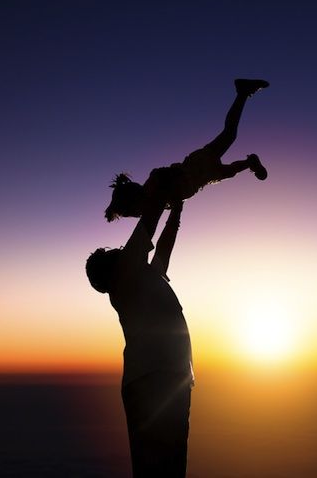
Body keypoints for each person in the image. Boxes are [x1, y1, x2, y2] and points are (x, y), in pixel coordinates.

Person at [86, 194, 193, 477]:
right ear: (114, 269)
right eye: (115, 252)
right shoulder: (125, 277)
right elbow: (148, 223)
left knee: (164, 463)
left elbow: (163, 248)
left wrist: (177, 209)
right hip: (155, 379)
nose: (121, 249)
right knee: (161, 463)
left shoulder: (142, 280)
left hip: (165, 378)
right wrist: (166, 193)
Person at [104, 78, 269, 221]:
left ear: (134, 200)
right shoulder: (155, 200)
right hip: (201, 177)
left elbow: (160, 173)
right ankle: (250, 162)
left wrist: (174, 185)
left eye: (134, 212)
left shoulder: (153, 187)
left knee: (229, 135)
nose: (138, 214)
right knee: (229, 170)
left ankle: (242, 92)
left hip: (198, 165)